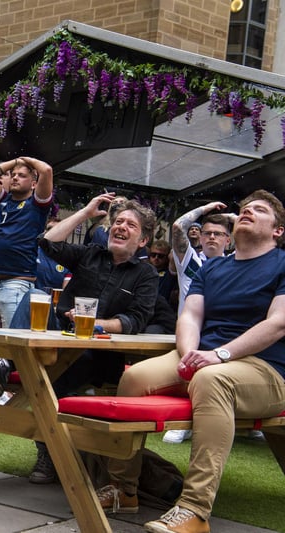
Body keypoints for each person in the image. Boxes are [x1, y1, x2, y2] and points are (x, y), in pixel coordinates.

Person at [96, 190, 285, 533]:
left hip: (263, 369)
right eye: (244, 208)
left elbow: (277, 323)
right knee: (134, 378)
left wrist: (218, 356)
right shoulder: (213, 267)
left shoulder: (283, 264)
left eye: (258, 210)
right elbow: (190, 316)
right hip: (203, 358)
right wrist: (187, 355)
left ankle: (195, 510)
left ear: (278, 231)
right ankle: (124, 490)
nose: (247, 212)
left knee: (212, 380)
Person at [29, 193, 158, 484]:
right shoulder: (90, 253)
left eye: (130, 225)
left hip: (98, 354)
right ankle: (6, 363)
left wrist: (96, 325)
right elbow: (48, 242)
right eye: (118, 221)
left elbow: (136, 320)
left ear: (143, 241)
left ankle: (49, 453)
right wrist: (86, 212)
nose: (120, 226)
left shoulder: (146, 274)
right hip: (57, 335)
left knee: (51, 378)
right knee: (33, 297)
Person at [163, 202, 234, 444]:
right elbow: (177, 227)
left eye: (219, 234)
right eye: (207, 233)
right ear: (201, 237)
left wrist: (233, 217)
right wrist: (206, 209)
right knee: (188, 375)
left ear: (229, 240)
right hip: (189, 336)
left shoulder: (237, 264)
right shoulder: (190, 261)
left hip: (222, 336)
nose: (212, 237)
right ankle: (185, 423)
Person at [0, 156, 53, 328]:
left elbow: (47, 170)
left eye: (21, 175)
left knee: (11, 339)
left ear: (34, 184)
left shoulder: (37, 204)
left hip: (16, 282)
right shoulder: (1, 201)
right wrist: (15, 162)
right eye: (13, 174)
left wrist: (26, 159)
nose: (14, 177)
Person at [149, 239, 176, 304]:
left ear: (167, 257)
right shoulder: (144, 271)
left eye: (160, 256)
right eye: (153, 255)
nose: (156, 258)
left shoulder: (171, 273)